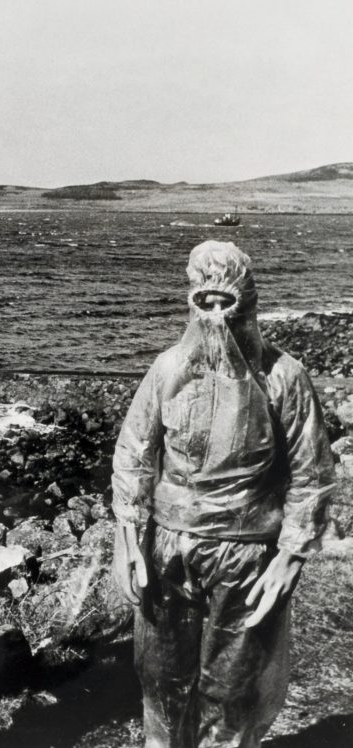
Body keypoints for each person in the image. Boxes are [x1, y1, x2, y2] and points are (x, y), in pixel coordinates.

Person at [111, 240, 335, 748]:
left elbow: (312, 471)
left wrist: (291, 554)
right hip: (169, 548)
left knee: (233, 687)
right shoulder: (169, 370)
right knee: (162, 678)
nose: (215, 315)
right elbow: (134, 453)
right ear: (191, 300)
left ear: (247, 301)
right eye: (204, 301)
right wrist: (127, 537)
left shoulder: (283, 377)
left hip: (247, 553)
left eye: (225, 302)